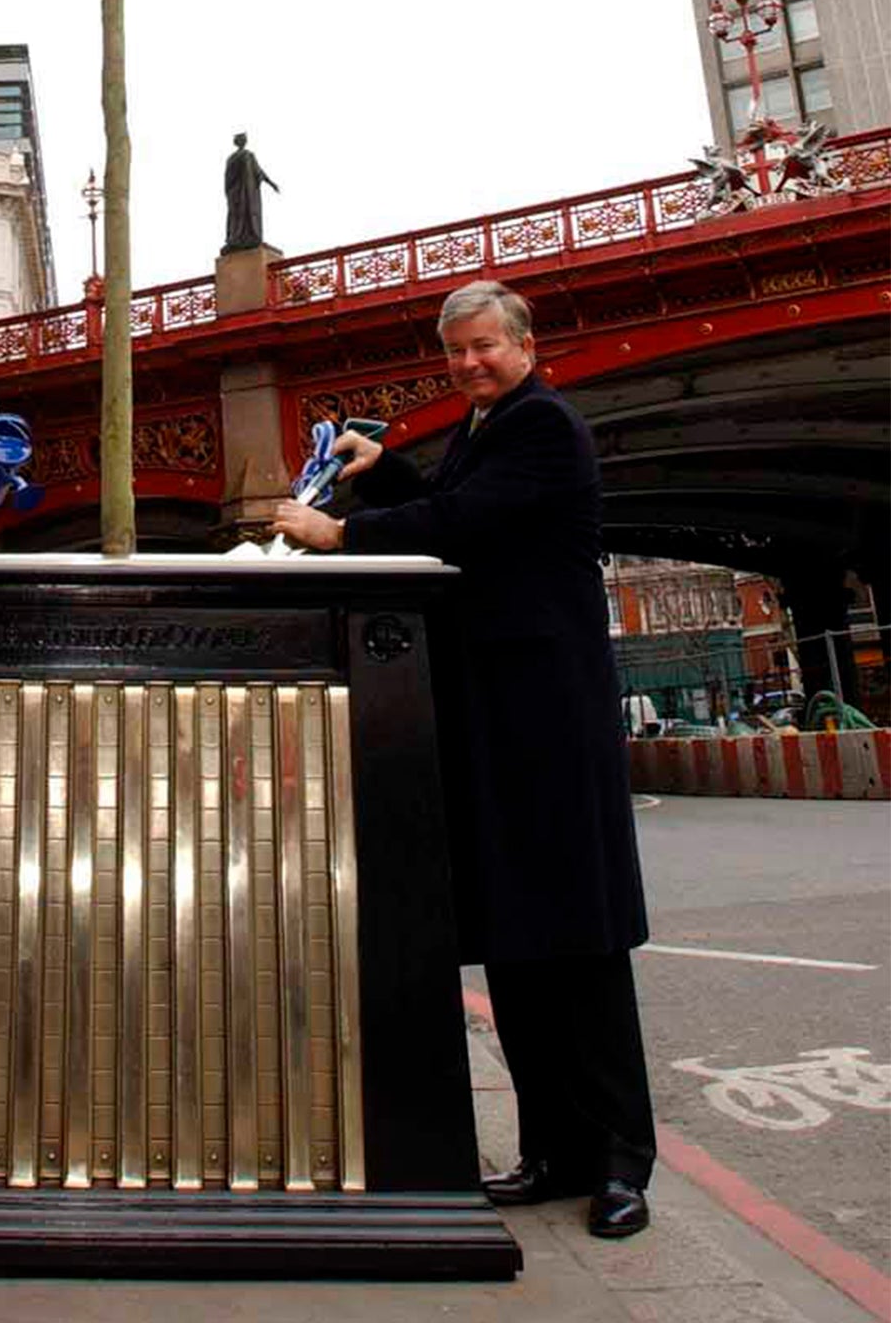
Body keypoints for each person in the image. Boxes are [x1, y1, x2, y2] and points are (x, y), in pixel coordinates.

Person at [274, 279, 654, 1240]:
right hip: (495, 720)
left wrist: (341, 531)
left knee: (582, 944)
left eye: (486, 346)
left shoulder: (545, 425)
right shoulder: (488, 432)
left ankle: (619, 1161)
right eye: (457, 352)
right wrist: (385, 465)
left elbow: (460, 527)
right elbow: (451, 499)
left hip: (551, 720)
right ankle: (553, 1150)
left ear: (525, 342)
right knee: (520, 941)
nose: (471, 364)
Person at [222, 131, 280, 252]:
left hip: (241, 193)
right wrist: (271, 183)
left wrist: (271, 183)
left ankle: (241, 238)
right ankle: (238, 239)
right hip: (244, 193)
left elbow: (258, 171)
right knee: (243, 215)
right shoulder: (243, 156)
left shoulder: (241, 157)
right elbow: (258, 172)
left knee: (242, 215)